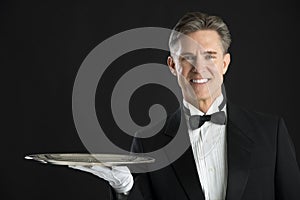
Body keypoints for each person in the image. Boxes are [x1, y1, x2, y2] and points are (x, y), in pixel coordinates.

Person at [69, 12, 300, 200]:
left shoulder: (271, 132)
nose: (199, 68)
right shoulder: (147, 140)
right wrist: (125, 188)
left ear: (225, 63)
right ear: (172, 65)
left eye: (209, 56)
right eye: (187, 57)